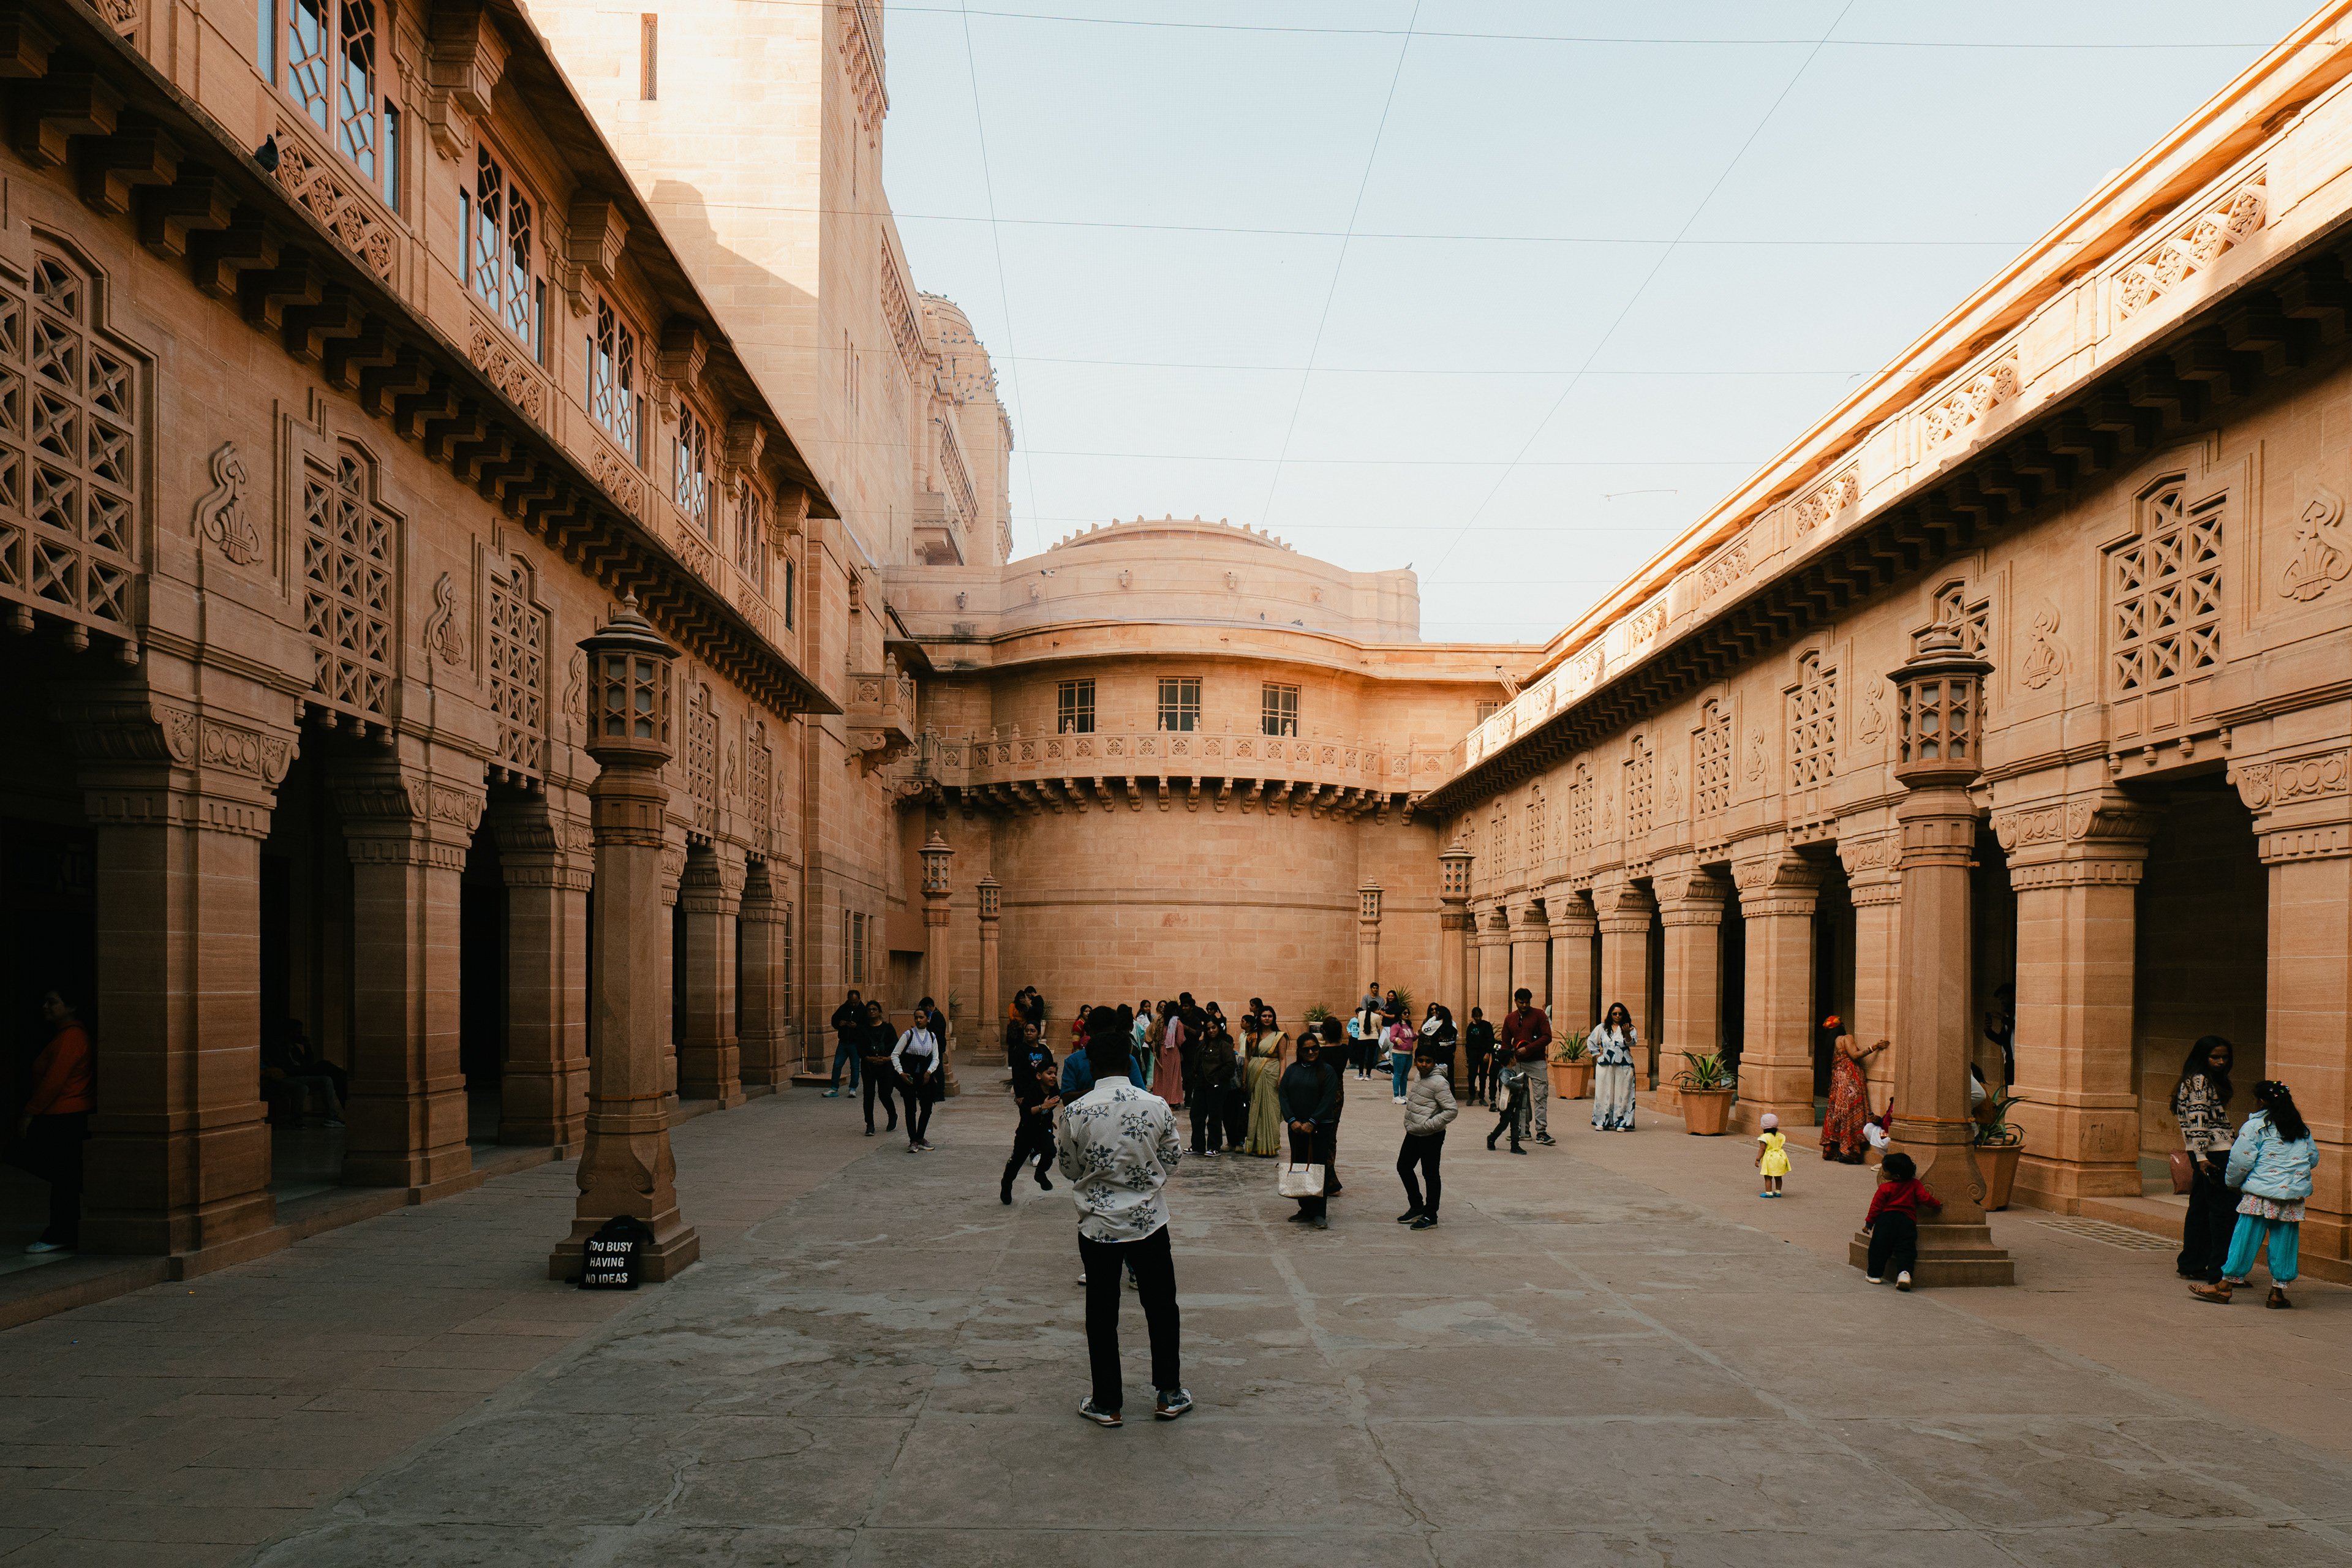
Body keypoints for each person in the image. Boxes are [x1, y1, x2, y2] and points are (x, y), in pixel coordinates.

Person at [1057, 1007, 1189, 1427]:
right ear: (1130, 1059)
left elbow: (1068, 1167)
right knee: (1161, 1307)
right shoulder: (1155, 1105)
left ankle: (1107, 1402)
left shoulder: (1075, 1112)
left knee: (1101, 1313)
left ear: (1092, 1064)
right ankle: (1168, 1393)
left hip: (1098, 1226)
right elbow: (1172, 1158)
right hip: (1149, 1221)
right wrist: (1144, 1180)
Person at [2193, 1079, 2319, 1308]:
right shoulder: (2300, 1128)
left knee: (2245, 1238)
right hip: (2291, 1196)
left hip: (2260, 1194)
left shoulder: (2255, 1126)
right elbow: (2313, 1158)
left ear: (2261, 1101)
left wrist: (2231, 1182)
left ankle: (2225, 1287)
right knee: (2285, 1242)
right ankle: (2277, 1293)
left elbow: (2241, 1160)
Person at [12, 989, 94, 1253]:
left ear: (71, 1007)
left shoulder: (71, 1037)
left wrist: (29, 1112)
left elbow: (54, 1081)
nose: (45, 1006)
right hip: (63, 1115)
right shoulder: (66, 1036)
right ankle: (64, 1229)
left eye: (53, 1002)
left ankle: (61, 1231)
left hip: (64, 1116)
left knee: (63, 1177)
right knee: (64, 1176)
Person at [2172, 1036, 2237, 1287]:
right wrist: (2202, 1157)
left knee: (2200, 1207)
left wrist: (2197, 1154)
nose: (2221, 1062)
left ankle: (2192, 1264)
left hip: (2203, 1152)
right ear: (2203, 1057)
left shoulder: (2195, 1079)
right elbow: (2198, 1121)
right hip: (2213, 1153)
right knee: (2223, 1212)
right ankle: (2220, 1273)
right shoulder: (2200, 1081)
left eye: (2225, 1057)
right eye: (2215, 1057)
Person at [1278, 1025, 1342, 1227]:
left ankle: (1319, 1213)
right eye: (1306, 1050)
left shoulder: (1327, 1071)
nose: (1311, 1052)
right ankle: (1305, 1209)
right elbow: (1284, 1096)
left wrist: (1312, 1122)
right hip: (1296, 1128)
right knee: (1299, 1165)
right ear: (1299, 1051)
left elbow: (1328, 1099)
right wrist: (1292, 1121)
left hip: (1319, 1127)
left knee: (1317, 1167)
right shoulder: (1292, 1070)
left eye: (1314, 1048)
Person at [1396, 1044, 1458, 1230]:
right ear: (1415, 1061)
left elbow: (1452, 1110)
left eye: (1428, 1061)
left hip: (1431, 1136)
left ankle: (1431, 1216)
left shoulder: (1439, 1082)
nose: (1424, 1065)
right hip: (1414, 1133)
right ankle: (1417, 1207)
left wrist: (1429, 1125)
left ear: (1434, 1062)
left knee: (1430, 1174)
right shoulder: (1418, 1076)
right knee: (1404, 1167)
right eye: (1421, 1061)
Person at [1864, 1151, 1941, 1290]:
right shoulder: (1915, 1184)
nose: (1883, 1172)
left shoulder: (1885, 1188)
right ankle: (1904, 1274)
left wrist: (1869, 1224)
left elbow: (1876, 1207)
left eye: (1885, 1170)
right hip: (1907, 1221)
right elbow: (1924, 1198)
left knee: (1879, 1247)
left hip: (1885, 1220)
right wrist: (1937, 1205)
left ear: (1896, 1176)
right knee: (1906, 1249)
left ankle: (1874, 1275)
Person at [1001, 1031, 1059, 1204]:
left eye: (1055, 1073)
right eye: (1049, 1073)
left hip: (1043, 1129)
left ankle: (1040, 1174)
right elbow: (1026, 1113)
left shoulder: (1055, 1090)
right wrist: (1043, 1107)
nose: (1053, 1076)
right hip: (1027, 1130)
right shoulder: (1031, 1091)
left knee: (1050, 1151)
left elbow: (1049, 1109)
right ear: (1039, 1075)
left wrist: (1048, 1116)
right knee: (1017, 1161)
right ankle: (1007, 1183)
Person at [1821, 1035, 1888, 1163]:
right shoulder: (1848, 1037)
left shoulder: (1836, 1040)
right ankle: (1849, 1150)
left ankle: (1834, 1149)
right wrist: (1874, 1047)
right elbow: (1855, 1055)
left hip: (1839, 1078)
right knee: (1852, 1112)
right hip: (1850, 1077)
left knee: (1837, 1112)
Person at [1501, 988, 1554, 1145]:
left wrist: (1529, 1048)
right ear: (1515, 1001)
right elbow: (1505, 1043)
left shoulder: (1539, 1015)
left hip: (1537, 1062)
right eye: (1521, 1002)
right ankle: (1523, 1130)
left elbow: (1547, 1037)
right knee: (1520, 1098)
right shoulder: (1510, 1018)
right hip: (1518, 1063)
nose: (1524, 1005)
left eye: (1527, 1002)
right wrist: (1505, 1066)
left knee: (1540, 1097)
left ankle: (1542, 1132)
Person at [892, 1001, 945, 1152]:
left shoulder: (932, 1037)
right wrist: (901, 1073)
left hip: (925, 1077)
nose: (918, 1020)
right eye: (916, 1017)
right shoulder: (908, 1035)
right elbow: (895, 1054)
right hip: (909, 1077)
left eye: (921, 1017)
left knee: (927, 1108)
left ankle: (920, 1137)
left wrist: (929, 1072)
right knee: (910, 1109)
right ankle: (913, 1140)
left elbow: (936, 1058)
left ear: (928, 1019)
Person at [1186, 1015, 1236, 1157]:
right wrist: (1195, 1075)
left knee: (1214, 1116)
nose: (1211, 1031)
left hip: (1217, 1084)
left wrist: (1218, 1077)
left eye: (1213, 1027)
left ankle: (1214, 1147)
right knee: (1196, 1115)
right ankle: (1198, 1145)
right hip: (1202, 1083)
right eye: (1208, 1028)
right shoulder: (1202, 1044)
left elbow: (1230, 1065)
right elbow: (1196, 1061)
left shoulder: (1224, 1045)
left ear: (1219, 1028)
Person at [1242, 1008, 1289, 1157]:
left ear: (1274, 1018)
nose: (1267, 1018)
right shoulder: (1252, 1036)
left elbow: (1283, 1059)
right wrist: (1244, 1079)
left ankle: (1271, 1145)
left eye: (1270, 1016)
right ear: (1260, 1018)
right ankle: (1255, 1145)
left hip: (1272, 1075)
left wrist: (1282, 1077)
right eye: (1264, 1016)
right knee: (1255, 1109)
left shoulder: (1280, 1036)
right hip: (1254, 1073)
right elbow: (1247, 1058)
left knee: (1272, 1110)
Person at [1589, 1001, 1638, 1132]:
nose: (1617, 1016)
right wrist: (1596, 1054)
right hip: (1605, 1065)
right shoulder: (1602, 1028)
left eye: (1620, 1014)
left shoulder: (1630, 1028)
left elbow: (1632, 1044)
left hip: (1624, 1065)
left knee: (1623, 1093)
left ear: (1624, 1015)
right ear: (1610, 1014)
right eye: (1614, 1013)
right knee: (1603, 1092)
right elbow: (1591, 1041)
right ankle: (1602, 1121)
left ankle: (1622, 1122)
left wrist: (1627, 1033)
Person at [858, 1001, 899, 1137]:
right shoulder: (863, 1029)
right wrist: (867, 1058)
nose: (872, 1011)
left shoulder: (888, 1028)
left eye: (875, 1009)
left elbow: (896, 1045)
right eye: (869, 1010)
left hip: (885, 1065)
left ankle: (892, 1115)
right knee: (869, 1095)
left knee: (884, 1094)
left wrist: (887, 1058)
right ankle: (870, 1124)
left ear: (880, 1012)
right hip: (869, 1065)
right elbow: (860, 1047)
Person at [1486, 1047, 1529, 1156]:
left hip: (1515, 1101)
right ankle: (1491, 1138)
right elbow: (1506, 1082)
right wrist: (1519, 1086)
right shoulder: (1505, 1072)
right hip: (1508, 1103)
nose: (1516, 1059)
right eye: (1514, 1057)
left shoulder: (1511, 1071)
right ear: (1510, 1060)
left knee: (1515, 1124)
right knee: (1504, 1123)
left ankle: (1515, 1146)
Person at [824, 989, 865, 1098]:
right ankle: (834, 1088)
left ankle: (853, 1089)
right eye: (851, 1002)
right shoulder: (843, 1008)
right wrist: (839, 1023)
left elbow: (867, 1027)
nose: (853, 1004)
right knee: (837, 1065)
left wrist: (856, 1026)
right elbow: (834, 1020)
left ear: (859, 1000)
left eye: (855, 1002)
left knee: (855, 1067)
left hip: (855, 1043)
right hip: (843, 1042)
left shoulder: (863, 1010)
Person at [1151, 1001, 1186, 1107]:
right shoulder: (1178, 1023)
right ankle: (1172, 1101)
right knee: (1173, 1077)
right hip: (1172, 1051)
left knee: (1160, 1076)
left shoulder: (1159, 1021)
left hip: (1160, 1051)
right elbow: (1180, 1040)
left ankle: (1160, 1097)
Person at [1416, 1003, 1458, 1090]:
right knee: (1450, 1076)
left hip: (1438, 1054)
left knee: (1436, 1076)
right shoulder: (1453, 1024)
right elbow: (1456, 1037)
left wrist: (1434, 1018)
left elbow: (1425, 1029)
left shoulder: (1436, 1024)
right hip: (1449, 1054)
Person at [1464, 1007, 1496, 1106]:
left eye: (1480, 1016)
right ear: (1473, 1017)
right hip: (1473, 1054)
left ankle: (1482, 1096)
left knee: (1483, 1076)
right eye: (1476, 1017)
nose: (1478, 1018)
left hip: (1483, 1053)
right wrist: (1468, 1056)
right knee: (1472, 1076)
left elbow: (1491, 1040)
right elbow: (1468, 1042)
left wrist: (1488, 1053)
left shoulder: (1486, 1026)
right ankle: (1472, 1095)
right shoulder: (1470, 1027)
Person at [1755, 1112, 1790, 1197]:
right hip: (1780, 1157)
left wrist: (1758, 1159)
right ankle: (1778, 1192)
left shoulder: (1764, 1137)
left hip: (1770, 1158)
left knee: (1768, 1177)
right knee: (1778, 1176)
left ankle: (1769, 1193)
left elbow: (1762, 1149)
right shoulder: (1780, 1136)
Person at [1385, 1013, 1417, 1103]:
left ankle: (1403, 1095)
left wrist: (1418, 1033)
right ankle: (1396, 1096)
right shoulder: (1396, 1026)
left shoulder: (1409, 1026)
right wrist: (1396, 1039)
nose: (1407, 1014)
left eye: (1408, 1013)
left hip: (1409, 1053)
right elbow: (1392, 1037)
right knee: (1398, 1075)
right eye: (1405, 1013)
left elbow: (1412, 1038)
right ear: (1400, 1015)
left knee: (1404, 1076)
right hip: (1399, 1053)